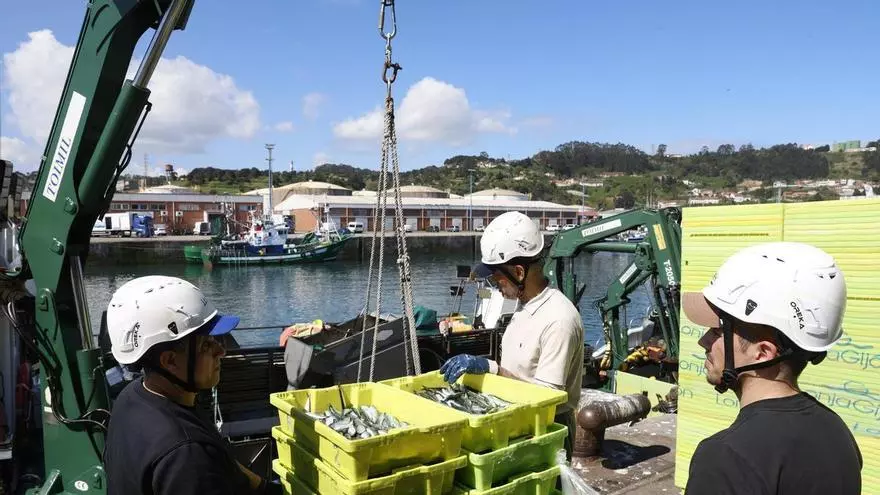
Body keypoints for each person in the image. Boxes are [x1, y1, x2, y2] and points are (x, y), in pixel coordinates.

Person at [682, 241, 862, 494]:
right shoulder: (836, 432)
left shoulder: (726, 458)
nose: (703, 342)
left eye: (717, 331)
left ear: (763, 352)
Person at [103, 275, 281, 495]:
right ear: (170, 361)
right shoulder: (186, 456)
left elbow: (227, 464)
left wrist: (267, 489)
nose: (221, 351)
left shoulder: (133, 397)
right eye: (207, 344)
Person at [439, 211, 584, 456]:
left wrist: (491, 368)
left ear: (518, 272)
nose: (495, 287)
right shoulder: (525, 305)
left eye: (497, 280)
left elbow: (547, 399)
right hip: (519, 420)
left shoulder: (559, 319)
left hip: (549, 431)